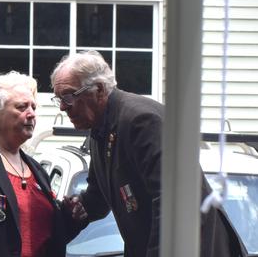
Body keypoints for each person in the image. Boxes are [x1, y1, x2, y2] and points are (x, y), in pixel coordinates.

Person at [50, 50, 245, 257]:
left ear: (98, 90)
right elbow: (99, 195)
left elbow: (171, 202)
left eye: (69, 96)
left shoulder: (141, 121)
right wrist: (81, 207)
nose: (63, 107)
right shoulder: (101, 128)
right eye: (59, 99)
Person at [0, 71, 72, 257]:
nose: (31, 114)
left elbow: (48, 234)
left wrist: (70, 217)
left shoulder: (36, 170)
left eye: (33, 107)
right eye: (22, 107)